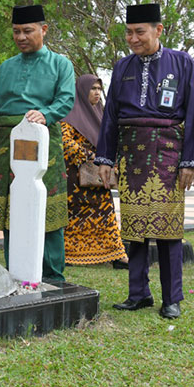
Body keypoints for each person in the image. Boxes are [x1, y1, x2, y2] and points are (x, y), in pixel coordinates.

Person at [96, 3, 194, 320]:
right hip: (132, 154)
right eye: (128, 32)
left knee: (168, 229)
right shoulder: (122, 67)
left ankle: (172, 298)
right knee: (135, 227)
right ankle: (138, 293)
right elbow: (110, 118)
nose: (133, 39)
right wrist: (105, 158)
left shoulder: (182, 63)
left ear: (159, 30)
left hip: (169, 154)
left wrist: (190, 161)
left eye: (139, 32)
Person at [0, 5, 75, 284]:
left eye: (27, 30)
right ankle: (16, 271)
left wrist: (46, 114)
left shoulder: (61, 64)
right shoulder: (6, 67)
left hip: (42, 142)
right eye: (16, 31)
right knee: (12, 209)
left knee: (47, 208)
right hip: (5, 144)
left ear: (43, 30)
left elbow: (66, 99)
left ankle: (53, 275)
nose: (21, 37)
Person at [61, 75, 128, 268]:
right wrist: (92, 157)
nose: (97, 92)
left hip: (98, 176)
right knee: (74, 218)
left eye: (99, 88)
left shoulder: (101, 114)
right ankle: (71, 255)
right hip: (75, 179)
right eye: (93, 89)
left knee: (106, 214)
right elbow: (65, 143)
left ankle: (117, 255)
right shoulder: (70, 114)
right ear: (82, 91)